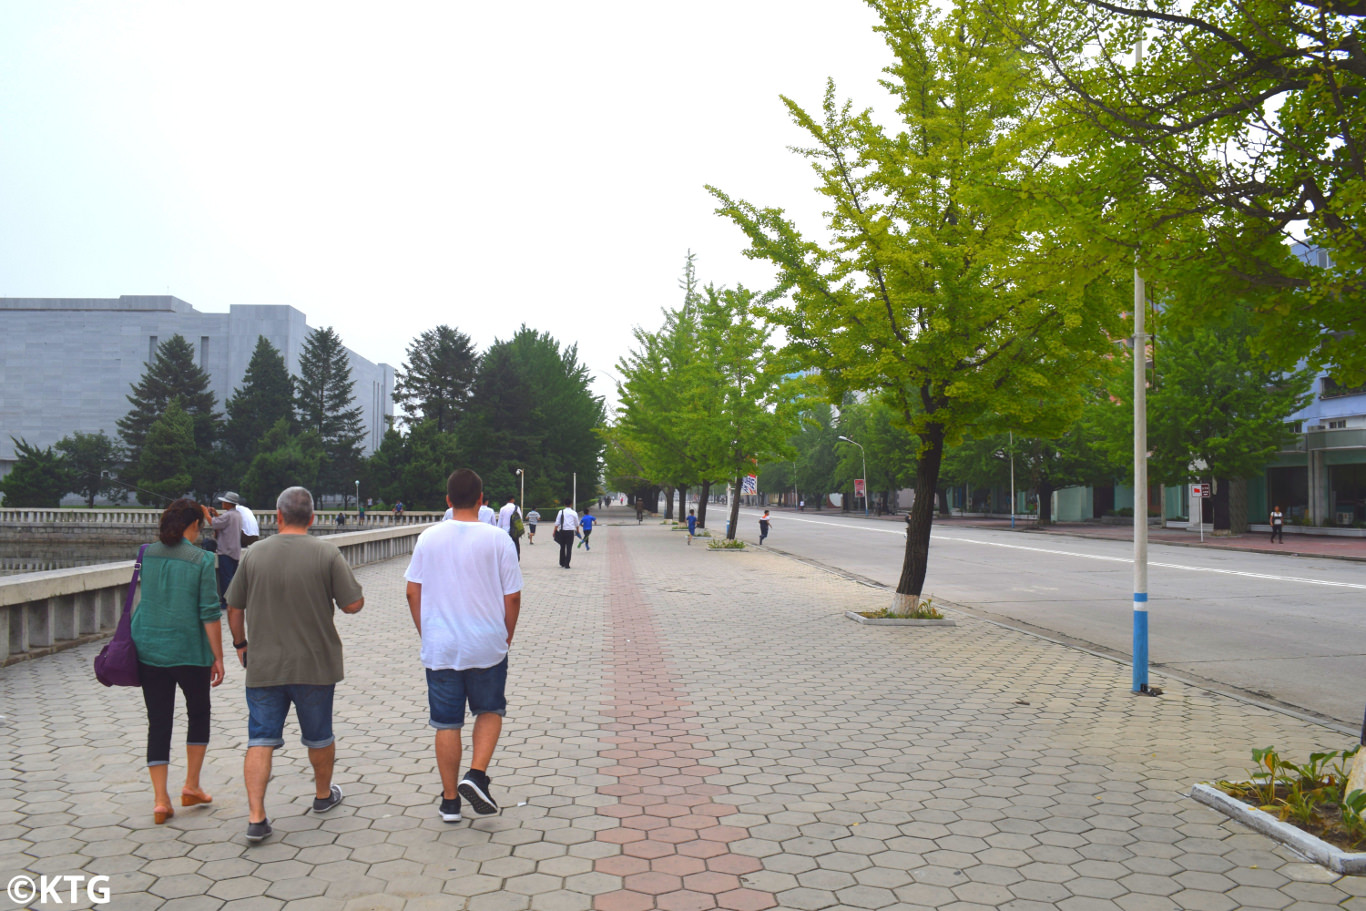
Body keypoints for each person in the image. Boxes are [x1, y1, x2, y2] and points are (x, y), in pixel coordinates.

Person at [225, 486, 365, 845]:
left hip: (264, 664)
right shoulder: (327, 553)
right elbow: (353, 605)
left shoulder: (254, 553)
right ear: (314, 518)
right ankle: (322, 796)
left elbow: (234, 606)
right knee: (319, 735)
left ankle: (257, 816)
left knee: (260, 737)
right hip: (316, 664)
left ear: (278, 515)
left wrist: (241, 644)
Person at [405, 469, 523, 822]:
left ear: (448, 500)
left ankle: (450, 800)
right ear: (481, 499)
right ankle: (477, 774)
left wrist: (426, 632)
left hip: (441, 645)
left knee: (446, 723)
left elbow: (413, 590)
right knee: (489, 710)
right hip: (487, 641)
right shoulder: (498, 539)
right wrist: (506, 635)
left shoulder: (428, 538)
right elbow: (513, 596)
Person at [131, 498, 225, 825]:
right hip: (189, 650)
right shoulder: (202, 559)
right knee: (198, 713)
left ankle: (160, 800)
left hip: (149, 648)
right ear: (193, 526)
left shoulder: (147, 553)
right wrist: (219, 656)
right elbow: (209, 612)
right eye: (200, 525)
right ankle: (191, 785)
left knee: (158, 721)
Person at [209, 492, 246, 610]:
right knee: (232, 577)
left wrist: (205, 512)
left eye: (224, 502)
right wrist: (215, 514)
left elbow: (214, 523)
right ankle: (233, 601)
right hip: (235, 551)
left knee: (226, 578)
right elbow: (222, 522)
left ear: (229, 503)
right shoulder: (237, 515)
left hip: (225, 551)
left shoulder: (228, 515)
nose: (222, 503)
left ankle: (226, 602)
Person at [554, 499, 580, 569]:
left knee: (562, 547)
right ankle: (567, 564)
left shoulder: (561, 512)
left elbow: (557, 522)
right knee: (569, 548)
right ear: (571, 504)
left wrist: (554, 531)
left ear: (564, 504)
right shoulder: (574, 513)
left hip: (562, 531)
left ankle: (562, 562)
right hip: (570, 532)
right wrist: (578, 531)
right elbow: (577, 523)